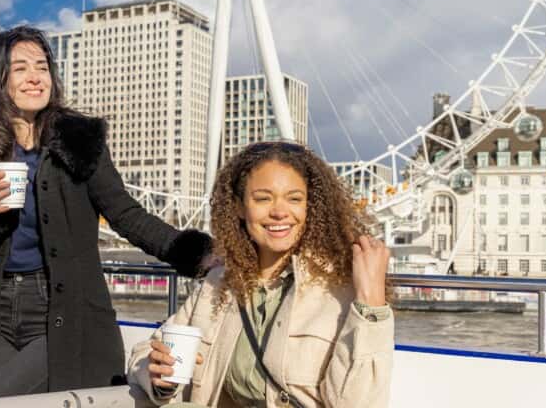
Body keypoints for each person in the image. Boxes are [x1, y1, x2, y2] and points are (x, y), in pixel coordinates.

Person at [0, 25, 214, 400]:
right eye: (21, 68)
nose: (36, 76)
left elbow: (126, 214)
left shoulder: (79, 141)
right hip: (0, 307)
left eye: (42, 66)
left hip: (62, 307)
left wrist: (202, 254)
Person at [130, 141, 393, 408]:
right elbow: (147, 352)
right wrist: (159, 377)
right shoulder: (219, 284)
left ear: (310, 207)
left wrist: (371, 306)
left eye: (294, 199)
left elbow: (360, 402)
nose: (279, 212)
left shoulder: (340, 290)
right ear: (240, 208)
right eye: (263, 198)